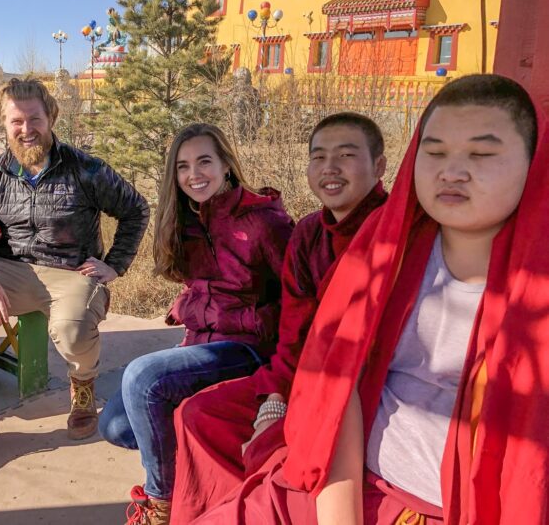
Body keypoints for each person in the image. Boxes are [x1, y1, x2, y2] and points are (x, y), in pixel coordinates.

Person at [194, 73, 549, 524]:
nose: (452, 171)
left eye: (482, 153)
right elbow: (339, 381)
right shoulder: (383, 252)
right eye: (435, 152)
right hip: (351, 481)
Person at [171, 113, 388, 523]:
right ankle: (210, 511)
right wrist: (276, 394)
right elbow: (294, 331)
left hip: (360, 391)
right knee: (197, 414)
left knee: (269, 446)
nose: (330, 168)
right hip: (296, 375)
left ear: (379, 167)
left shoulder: (393, 231)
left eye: (346, 155)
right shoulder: (308, 234)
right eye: (319, 156)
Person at [0, 78, 150, 477]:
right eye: (16, 120)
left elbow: (136, 209)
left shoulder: (85, 168)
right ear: (3, 123)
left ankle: (82, 383)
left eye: (35, 118)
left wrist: (115, 264)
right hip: (11, 269)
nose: (26, 129)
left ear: (52, 118)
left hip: (71, 272)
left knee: (72, 329)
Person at [99, 123, 294, 525]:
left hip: (248, 346)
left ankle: (163, 502)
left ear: (226, 164)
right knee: (116, 425)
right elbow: (203, 282)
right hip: (202, 341)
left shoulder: (262, 221)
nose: (194, 174)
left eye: (205, 161)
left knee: (141, 376)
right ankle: (189, 471)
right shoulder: (187, 219)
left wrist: (284, 376)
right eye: (183, 166)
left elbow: (298, 295)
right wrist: (189, 302)